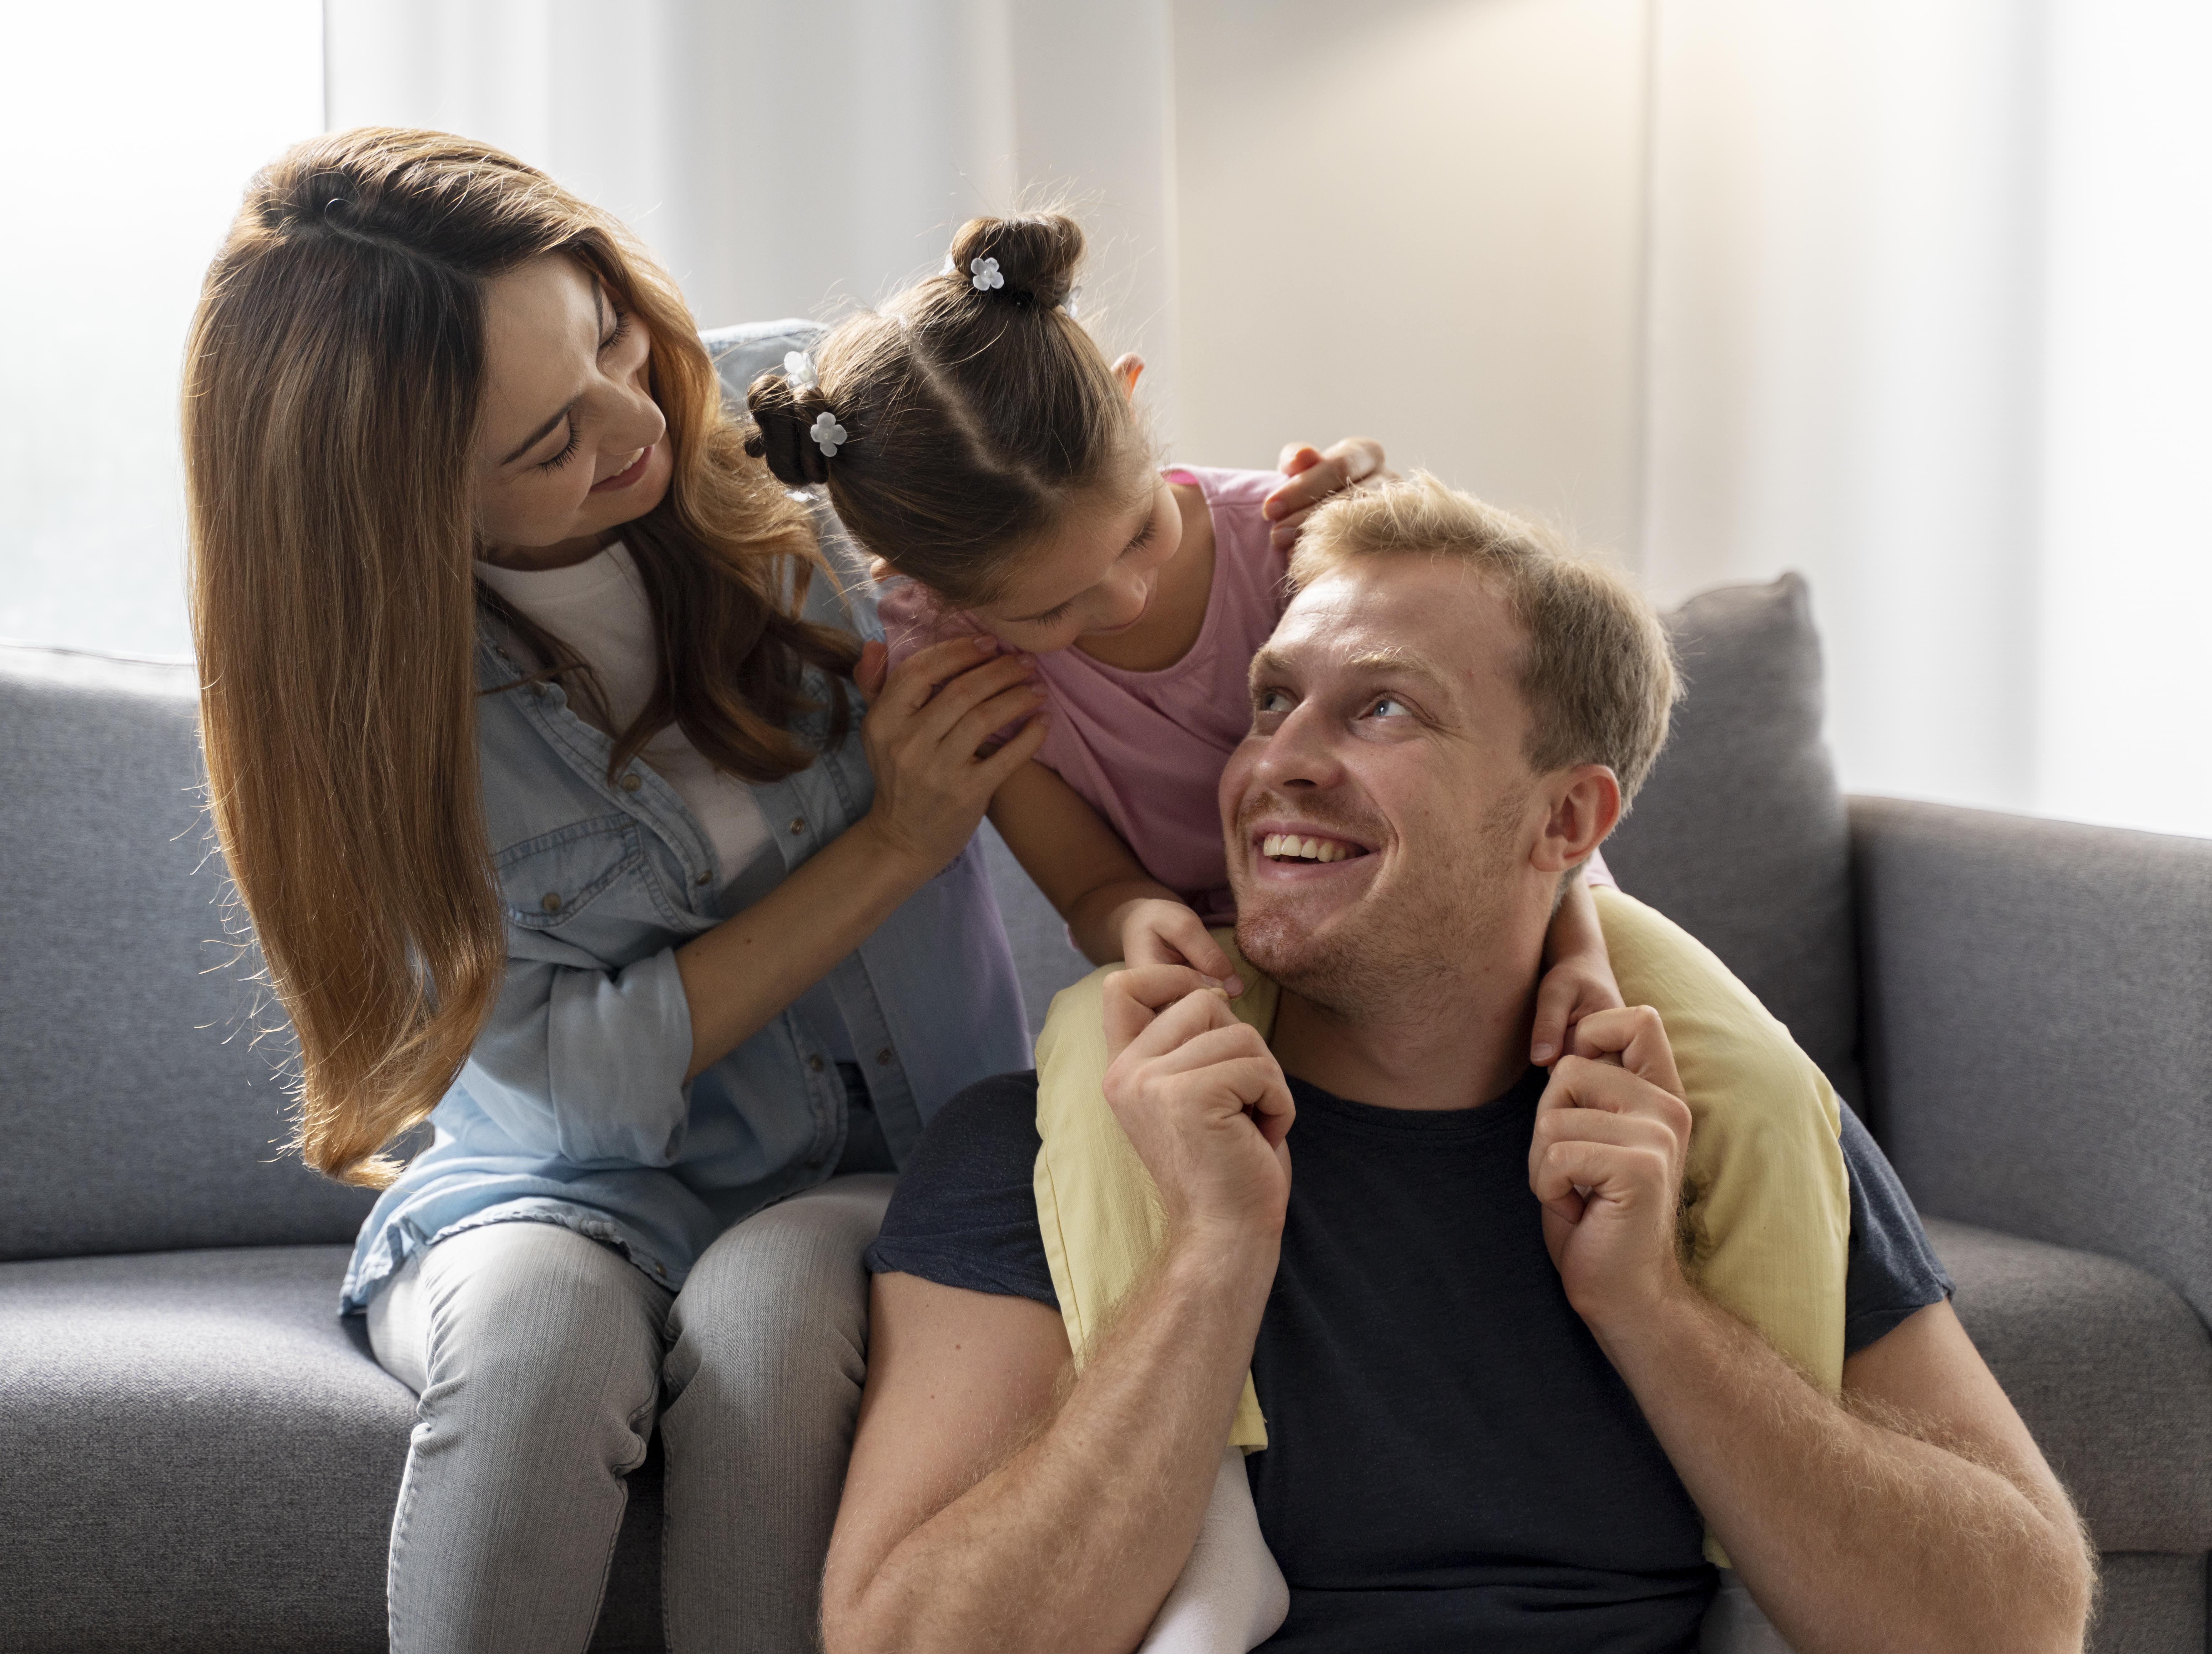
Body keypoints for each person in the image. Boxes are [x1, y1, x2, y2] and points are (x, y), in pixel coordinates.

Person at [181, 130, 1386, 1651]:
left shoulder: (802, 441)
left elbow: (1091, 511)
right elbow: (557, 1087)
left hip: (874, 1154)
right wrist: (891, 843)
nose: (633, 422)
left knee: (767, 1318)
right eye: (547, 442)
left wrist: (1345, 548)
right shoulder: (369, 700)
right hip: (553, 1179)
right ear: (404, 505)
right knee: (541, 1343)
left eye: (611, 332)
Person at [744, 211, 1853, 1647]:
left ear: (1137, 406)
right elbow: (1090, 887)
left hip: (1527, 899)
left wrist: (1573, 950)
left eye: (1136, 538)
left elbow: (1504, 727)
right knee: (1094, 1061)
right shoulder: (955, 659)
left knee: (1755, 1079)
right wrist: (1149, 928)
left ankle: (1768, 1505)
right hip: (1222, 935)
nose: (1124, 598)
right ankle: (1198, 1499)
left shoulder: (1279, 533)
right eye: (1060, 611)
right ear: (945, 600)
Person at [822, 478, 2095, 1653]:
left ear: (1566, 821)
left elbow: (2015, 1625)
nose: (1276, 763)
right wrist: (1212, 1256)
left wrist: (1650, 1307)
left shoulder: (1724, 1135)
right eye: (1270, 700)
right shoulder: (1041, 1146)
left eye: (1381, 707)